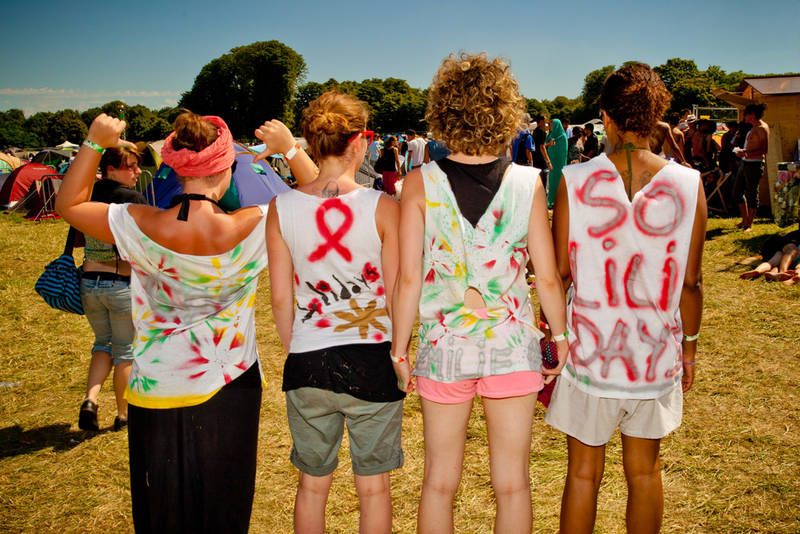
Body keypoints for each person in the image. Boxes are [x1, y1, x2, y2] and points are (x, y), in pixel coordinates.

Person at [56, 111, 316, 533]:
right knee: (223, 505)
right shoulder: (257, 222)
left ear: (173, 169)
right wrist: (289, 147)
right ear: (227, 168)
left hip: (156, 385)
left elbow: (69, 205)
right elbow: (322, 196)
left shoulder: (138, 222)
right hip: (231, 383)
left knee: (164, 508)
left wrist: (95, 141)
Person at [391, 53, 569, 534]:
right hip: (512, 348)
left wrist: (399, 348)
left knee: (438, 483)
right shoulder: (528, 183)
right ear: (505, 112)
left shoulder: (418, 183)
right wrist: (561, 337)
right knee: (512, 484)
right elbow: (546, 277)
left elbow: (409, 277)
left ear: (444, 111)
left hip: (442, 347)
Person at [549, 63, 707, 534]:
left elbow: (557, 275)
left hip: (590, 355)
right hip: (654, 357)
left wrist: (552, 340)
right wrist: (691, 350)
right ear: (657, 114)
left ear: (605, 116)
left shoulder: (574, 180)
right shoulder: (688, 184)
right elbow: (692, 283)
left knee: (582, 475)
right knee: (644, 472)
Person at [267, 91, 403, 534]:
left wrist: (298, 346)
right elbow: (397, 291)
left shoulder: (280, 207)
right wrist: (400, 353)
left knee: (311, 487)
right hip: (372, 358)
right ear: (360, 142)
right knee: (374, 491)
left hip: (308, 359)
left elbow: (281, 298)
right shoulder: (384, 207)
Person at [77, 145, 147, 432]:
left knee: (102, 344)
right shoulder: (131, 199)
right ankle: (123, 414)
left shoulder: (87, 196)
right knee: (125, 351)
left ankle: (90, 400)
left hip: (89, 282)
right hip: (120, 284)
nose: (137, 172)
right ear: (110, 170)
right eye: (130, 166)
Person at [732, 103, 769, 230]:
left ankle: (749, 224)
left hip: (754, 164)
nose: (744, 117)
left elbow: (764, 150)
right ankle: (745, 220)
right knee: (737, 192)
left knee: (752, 194)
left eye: (745, 114)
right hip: (746, 162)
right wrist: (743, 151)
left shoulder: (762, 128)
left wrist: (745, 152)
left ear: (752, 115)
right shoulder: (753, 127)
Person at [546, 118, 568, 208]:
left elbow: (563, 151)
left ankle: (558, 201)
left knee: (558, 182)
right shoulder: (550, 135)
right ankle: (551, 201)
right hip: (552, 162)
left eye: (551, 124)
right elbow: (544, 145)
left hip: (559, 164)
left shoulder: (562, 137)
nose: (550, 126)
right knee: (551, 182)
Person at [532, 113, 552, 185]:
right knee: (543, 183)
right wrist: (548, 162)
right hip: (541, 160)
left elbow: (539, 144)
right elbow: (542, 147)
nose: (546, 122)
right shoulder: (542, 131)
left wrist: (548, 144)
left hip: (535, 158)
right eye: (545, 120)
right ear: (541, 121)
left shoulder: (535, 131)